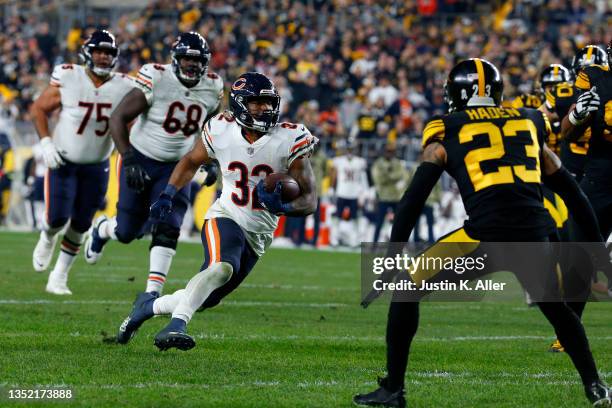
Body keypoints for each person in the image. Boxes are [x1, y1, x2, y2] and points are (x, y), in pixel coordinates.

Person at [354, 58, 611, 407]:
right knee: (557, 310)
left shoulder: (445, 127)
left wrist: (390, 254)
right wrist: (595, 248)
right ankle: (595, 386)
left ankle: (393, 389)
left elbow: (414, 198)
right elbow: (571, 191)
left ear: (459, 92)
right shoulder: (528, 121)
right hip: (534, 237)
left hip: (484, 237)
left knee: (406, 288)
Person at [114, 72, 318, 350]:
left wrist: (283, 206)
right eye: (256, 103)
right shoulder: (221, 128)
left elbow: (309, 200)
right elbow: (190, 161)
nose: (265, 109)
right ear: (239, 103)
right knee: (221, 267)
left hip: (259, 233)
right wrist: (167, 194)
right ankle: (177, 325)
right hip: (226, 214)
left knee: (207, 296)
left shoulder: (290, 137)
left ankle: (146, 308)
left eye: (268, 103)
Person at [84, 32, 223, 296]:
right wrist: (129, 158)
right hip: (141, 157)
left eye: (197, 60)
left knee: (169, 227)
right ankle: (102, 229)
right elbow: (117, 118)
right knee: (127, 232)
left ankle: (151, 294)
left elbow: (212, 126)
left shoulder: (213, 86)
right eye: (185, 59)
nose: (191, 65)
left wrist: (211, 158)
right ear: (175, 59)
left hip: (178, 166)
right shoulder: (157, 77)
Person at [30, 30, 134, 295]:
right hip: (64, 161)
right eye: (99, 50)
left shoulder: (124, 85)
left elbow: (132, 124)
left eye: (109, 52)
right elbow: (39, 108)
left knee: (82, 224)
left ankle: (59, 276)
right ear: (88, 52)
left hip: (98, 165)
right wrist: (45, 143)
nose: (103, 56)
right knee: (57, 218)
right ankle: (48, 236)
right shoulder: (68, 75)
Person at [561, 40, 612, 240]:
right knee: (579, 247)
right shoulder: (596, 78)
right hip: (601, 177)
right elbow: (569, 133)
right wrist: (577, 116)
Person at [541, 45, 608, 182]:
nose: (587, 76)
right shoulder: (563, 93)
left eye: (594, 71)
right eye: (582, 72)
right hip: (573, 164)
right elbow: (537, 119)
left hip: (603, 163)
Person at [329, 140, 369, 247]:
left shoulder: (360, 162)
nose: (350, 150)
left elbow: (363, 179)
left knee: (355, 219)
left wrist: (364, 193)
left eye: (352, 148)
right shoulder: (338, 161)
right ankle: (334, 239)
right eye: (349, 148)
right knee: (337, 217)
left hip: (354, 194)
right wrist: (332, 188)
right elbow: (334, 176)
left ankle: (355, 240)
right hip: (341, 193)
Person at [371, 143, 410, 243]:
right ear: (384, 152)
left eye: (391, 151)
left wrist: (388, 176)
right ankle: (374, 244)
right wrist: (393, 177)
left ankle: (398, 245)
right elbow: (378, 179)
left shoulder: (397, 163)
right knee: (379, 223)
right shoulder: (378, 163)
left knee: (399, 223)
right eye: (388, 151)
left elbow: (404, 176)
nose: (390, 153)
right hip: (383, 197)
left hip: (395, 197)